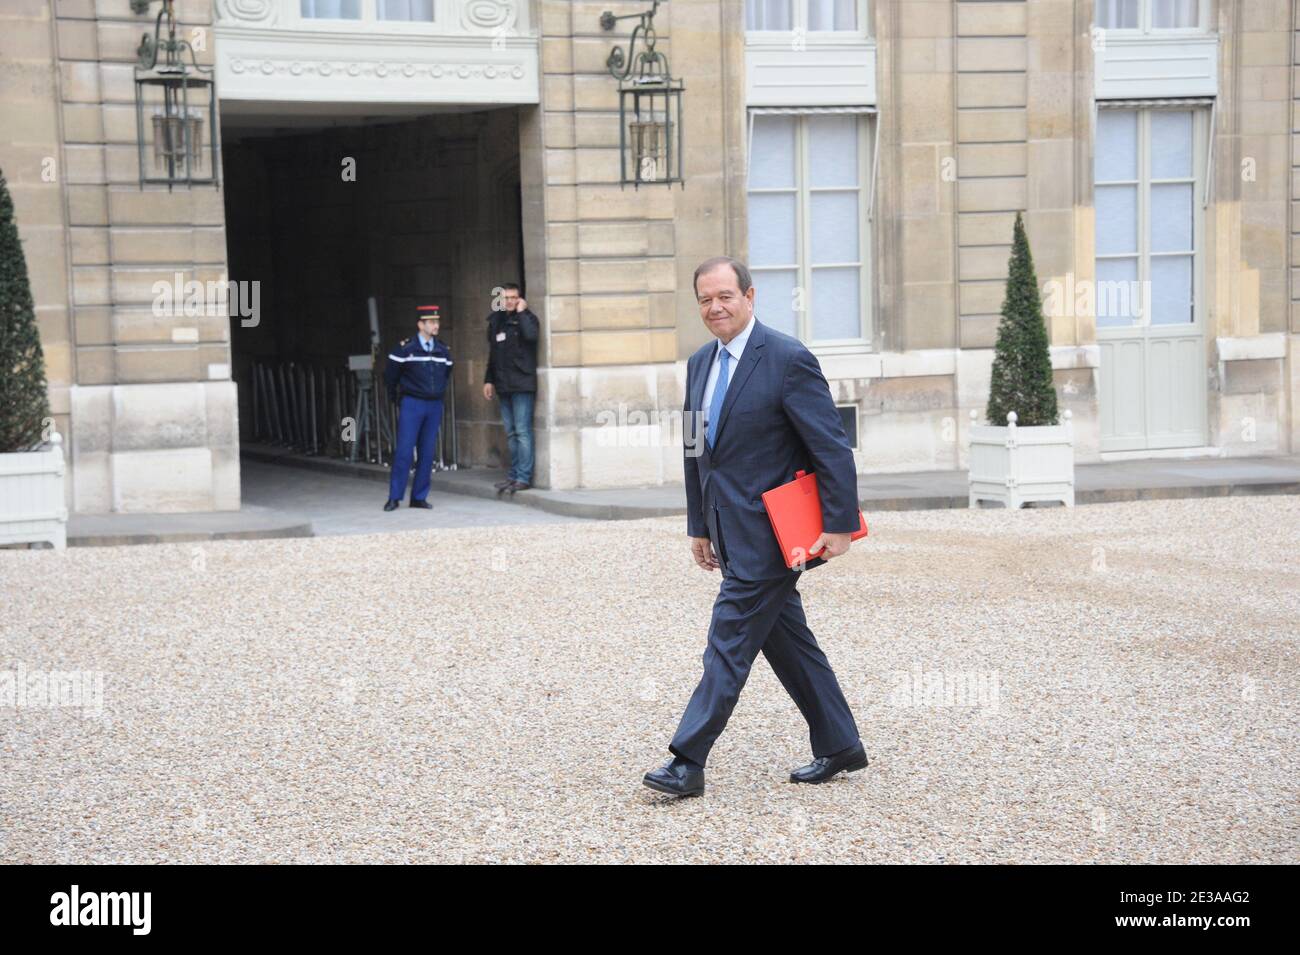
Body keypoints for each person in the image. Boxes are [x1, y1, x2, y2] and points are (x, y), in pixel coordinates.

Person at [642, 256, 868, 798]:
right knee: (785, 637)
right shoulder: (699, 364)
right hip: (726, 527)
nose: (715, 307)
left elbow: (830, 445)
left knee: (729, 641)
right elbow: (697, 451)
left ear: (749, 296)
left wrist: (840, 525)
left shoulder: (788, 358)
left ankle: (686, 759)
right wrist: (699, 524)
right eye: (705, 299)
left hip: (773, 533)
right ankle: (840, 743)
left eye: (725, 296)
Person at [382, 304, 453, 511]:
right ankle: (395, 497)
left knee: (427, 452)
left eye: (437, 321)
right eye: (431, 322)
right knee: (404, 451)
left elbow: (447, 374)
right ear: (420, 325)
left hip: (433, 405)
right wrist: (397, 398)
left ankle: (419, 497)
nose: (435, 325)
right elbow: (390, 376)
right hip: (412, 403)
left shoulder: (442, 350)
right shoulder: (405, 348)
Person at [482, 283, 539, 494]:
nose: (510, 301)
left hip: (522, 384)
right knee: (511, 433)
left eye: (514, 297)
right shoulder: (496, 321)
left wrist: (522, 313)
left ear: (520, 299)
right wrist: (488, 380)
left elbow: (532, 336)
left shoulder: (528, 318)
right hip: (503, 385)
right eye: (506, 298)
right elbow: (493, 355)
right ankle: (514, 475)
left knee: (523, 431)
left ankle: (523, 477)